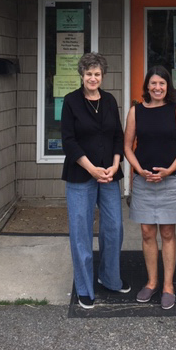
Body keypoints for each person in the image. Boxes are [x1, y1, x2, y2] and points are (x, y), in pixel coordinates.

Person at [61, 52, 130, 310]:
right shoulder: (71, 101)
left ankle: (110, 278)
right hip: (81, 174)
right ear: (82, 75)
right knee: (81, 232)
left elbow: (117, 137)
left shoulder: (110, 100)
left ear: (103, 76)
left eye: (97, 74)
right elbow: (68, 140)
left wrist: (113, 165)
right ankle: (84, 288)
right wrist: (92, 168)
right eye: (89, 73)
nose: (93, 78)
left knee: (114, 228)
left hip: (109, 175)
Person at [124, 66, 176, 310]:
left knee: (166, 232)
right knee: (146, 232)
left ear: (168, 86)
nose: (157, 88)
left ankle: (168, 286)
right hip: (144, 181)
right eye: (153, 83)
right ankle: (152, 282)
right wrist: (138, 169)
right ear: (147, 86)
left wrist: (169, 169)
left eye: (162, 84)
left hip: (170, 180)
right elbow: (128, 147)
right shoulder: (136, 111)